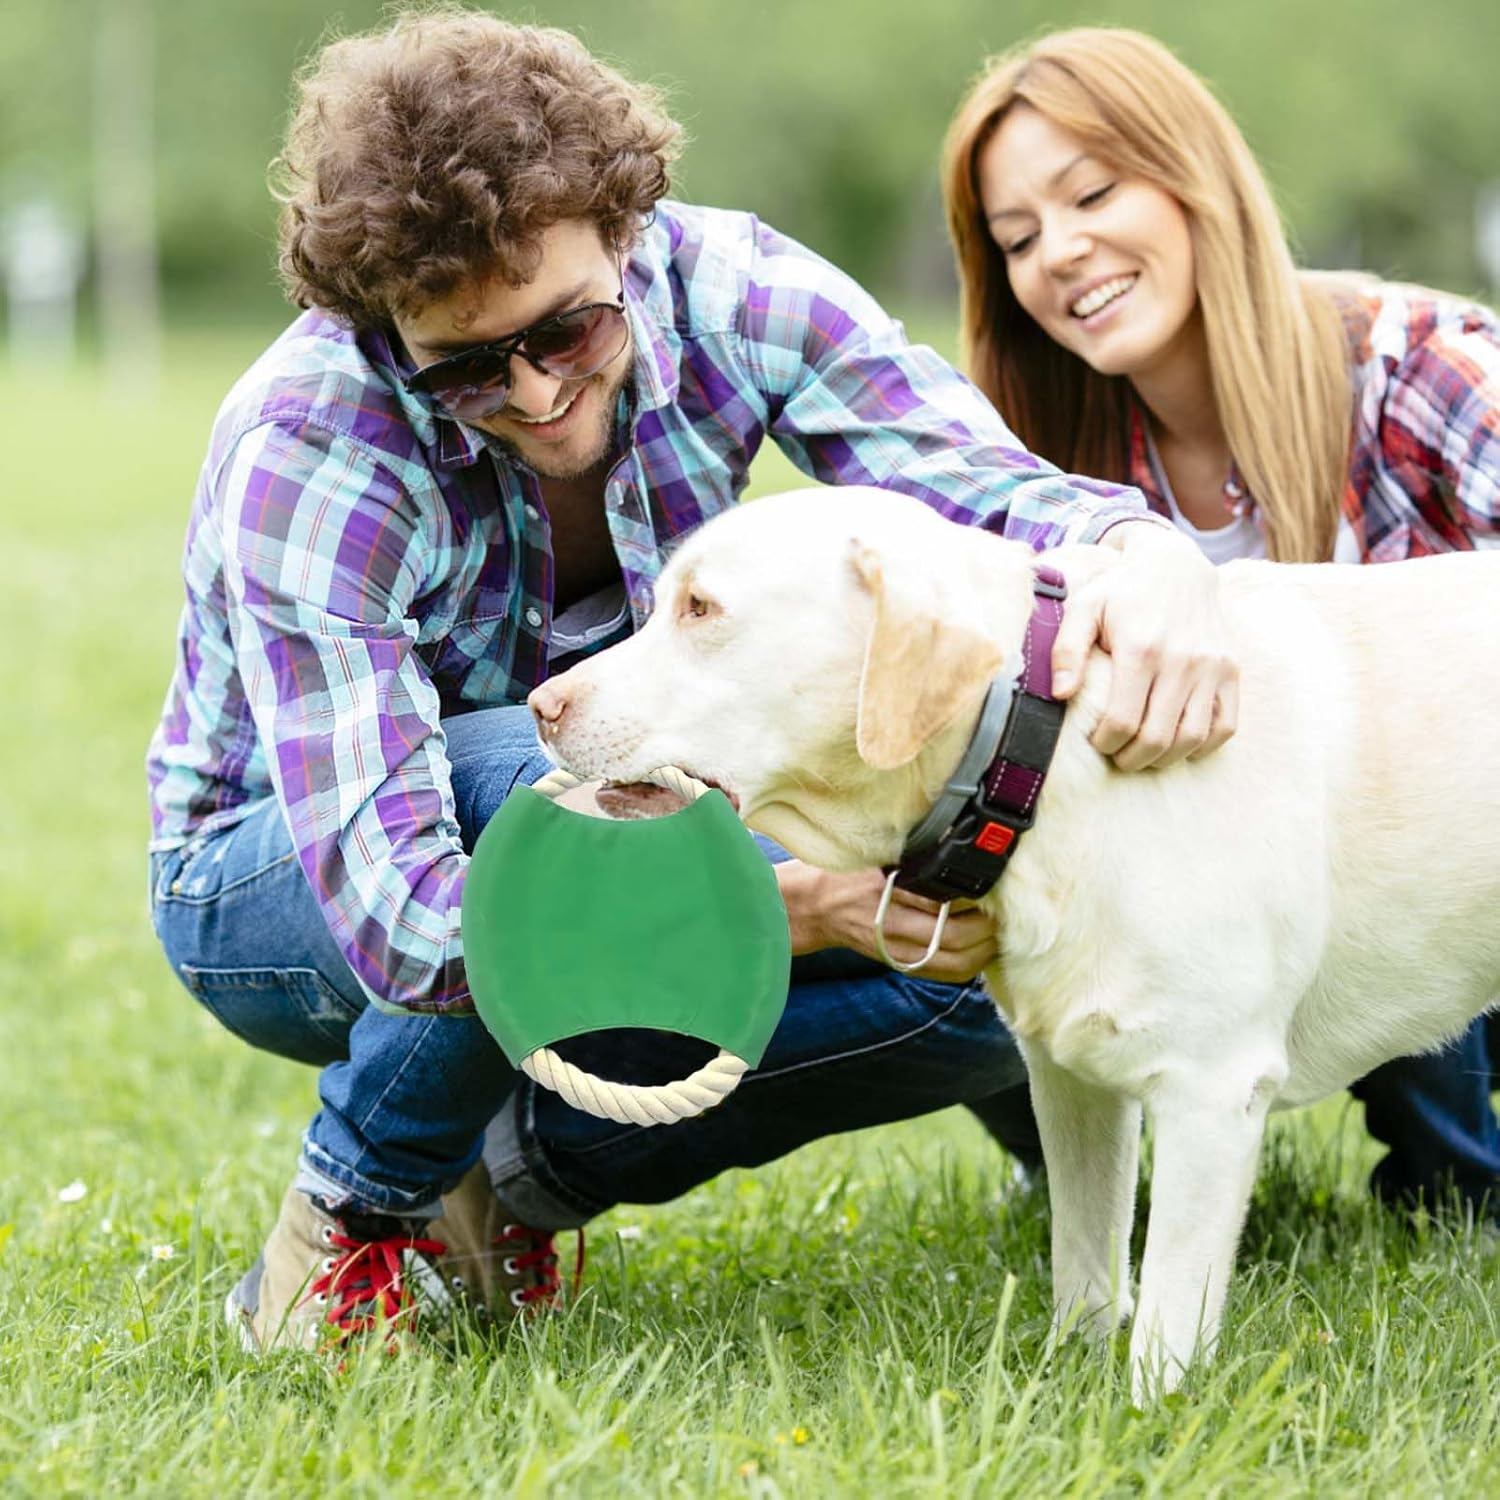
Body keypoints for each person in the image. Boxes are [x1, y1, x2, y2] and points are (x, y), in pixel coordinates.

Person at [146, 9, 1238, 1354]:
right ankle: (349, 1215)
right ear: (387, 332)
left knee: (971, 919)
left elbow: (972, 486)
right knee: (540, 787)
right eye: (469, 369)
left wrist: (1146, 555)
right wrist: (800, 911)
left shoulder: (737, 290)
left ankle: (519, 1176)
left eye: (568, 333)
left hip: (640, 800)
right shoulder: (310, 446)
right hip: (272, 888)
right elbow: (404, 922)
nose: (535, 395)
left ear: (626, 231)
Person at [940, 25, 1500, 1222]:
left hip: (1425, 881)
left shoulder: (1420, 369)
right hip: (1170, 913)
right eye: (1018, 239)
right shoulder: (1042, 466)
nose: (1060, 253)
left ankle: (1453, 1184)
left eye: (1093, 194)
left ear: (1193, 178)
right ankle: (1098, 1166)